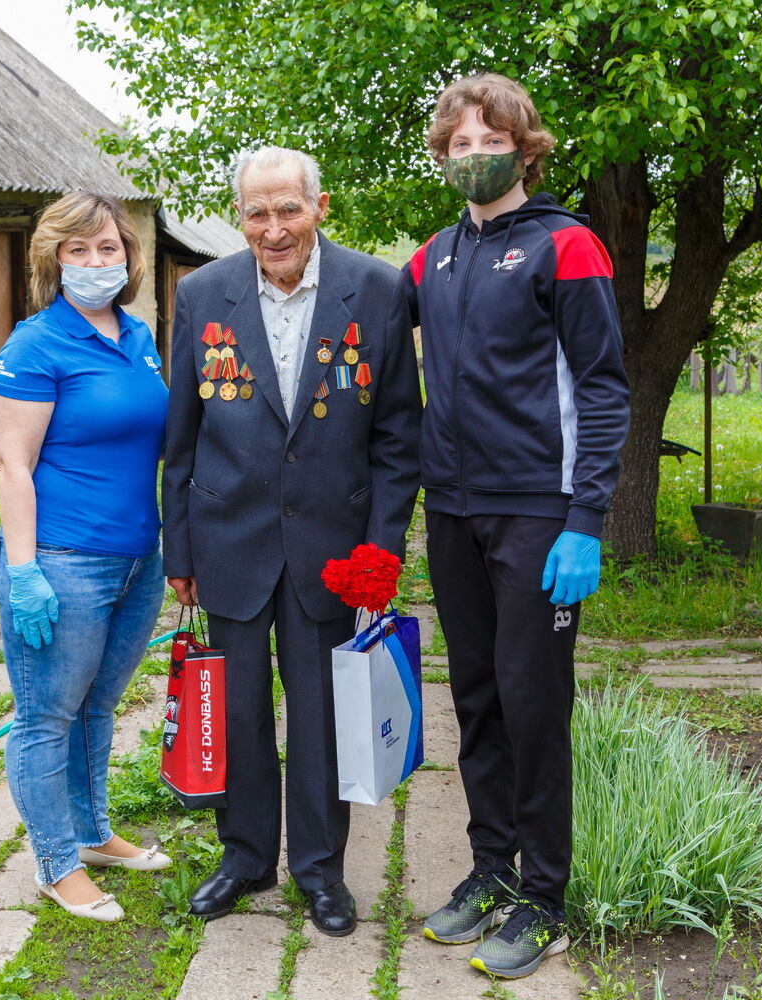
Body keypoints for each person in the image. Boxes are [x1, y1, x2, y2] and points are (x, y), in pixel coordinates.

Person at [401, 74, 631, 978]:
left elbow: (606, 387)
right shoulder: (433, 259)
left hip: (539, 513)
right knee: (479, 700)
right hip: (452, 512)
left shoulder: (567, 247)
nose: (472, 155)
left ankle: (545, 899)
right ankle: (492, 872)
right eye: (457, 145)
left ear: (524, 145)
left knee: (536, 706)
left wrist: (587, 520)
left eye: (487, 140)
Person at [161, 146, 421, 936]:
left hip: (333, 553)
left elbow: (398, 436)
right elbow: (182, 432)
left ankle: (318, 869)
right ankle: (244, 859)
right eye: (256, 213)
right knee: (237, 712)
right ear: (239, 216)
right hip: (228, 542)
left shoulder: (376, 290)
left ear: (319, 206)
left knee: (319, 716)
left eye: (288, 210)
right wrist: (180, 554)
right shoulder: (202, 294)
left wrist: (380, 552)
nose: (272, 229)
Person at [0, 192, 172, 923]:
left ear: (128, 258)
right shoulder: (34, 346)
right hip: (63, 561)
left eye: (108, 249)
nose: (96, 262)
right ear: (53, 260)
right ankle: (55, 863)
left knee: (100, 705)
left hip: (137, 558)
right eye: (79, 250)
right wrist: (26, 571)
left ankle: (93, 834)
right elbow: (12, 465)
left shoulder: (137, 336)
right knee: (46, 715)